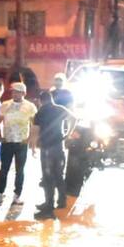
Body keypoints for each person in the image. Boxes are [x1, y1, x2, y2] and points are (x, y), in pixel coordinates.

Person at [32, 89, 74, 219]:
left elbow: (35, 131)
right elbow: (73, 118)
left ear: (41, 101)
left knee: (48, 176)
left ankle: (48, 206)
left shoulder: (41, 112)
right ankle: (61, 201)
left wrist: (33, 146)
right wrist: (68, 134)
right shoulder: (60, 109)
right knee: (59, 174)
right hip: (59, 147)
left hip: (47, 148)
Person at [0, 81, 38, 202]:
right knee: (4, 169)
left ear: (23, 93)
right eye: (13, 91)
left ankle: (17, 195)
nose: (15, 94)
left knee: (20, 170)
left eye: (18, 92)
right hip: (7, 142)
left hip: (21, 143)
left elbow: (35, 125)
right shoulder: (5, 105)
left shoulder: (30, 106)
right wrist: (0, 137)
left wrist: (29, 140)